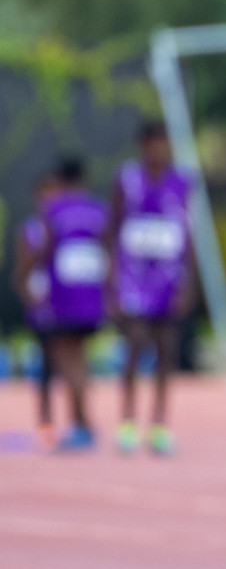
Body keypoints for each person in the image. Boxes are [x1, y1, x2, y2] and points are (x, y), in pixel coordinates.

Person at [108, 122, 193, 455]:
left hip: (168, 276)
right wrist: (110, 280)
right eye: (152, 144)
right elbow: (111, 228)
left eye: (164, 144)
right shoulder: (126, 180)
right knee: (135, 342)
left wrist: (187, 283)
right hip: (133, 274)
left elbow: (186, 232)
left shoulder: (182, 181)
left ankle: (159, 423)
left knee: (166, 347)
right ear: (142, 146)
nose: (158, 150)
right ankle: (127, 420)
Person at [34, 158, 111, 452]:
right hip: (92, 296)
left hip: (64, 296)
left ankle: (82, 424)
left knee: (67, 359)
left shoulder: (53, 209)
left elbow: (45, 249)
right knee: (79, 356)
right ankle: (82, 421)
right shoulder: (99, 210)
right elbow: (108, 249)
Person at [11, 171, 60, 448]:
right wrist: (29, 293)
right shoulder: (29, 229)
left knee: (71, 360)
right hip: (42, 301)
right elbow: (22, 272)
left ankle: (80, 420)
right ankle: (46, 419)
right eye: (45, 193)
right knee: (46, 362)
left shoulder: (68, 223)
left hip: (67, 301)